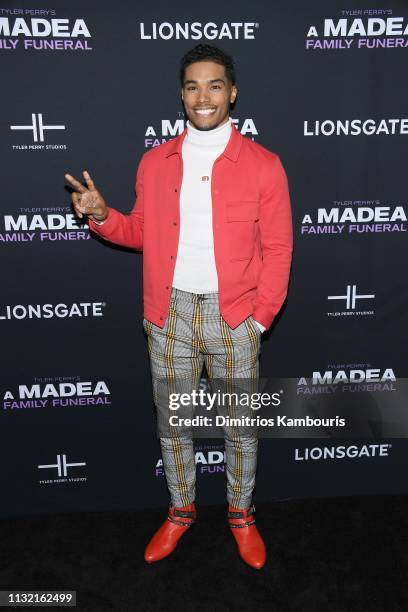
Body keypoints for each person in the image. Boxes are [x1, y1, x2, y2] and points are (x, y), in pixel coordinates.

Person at [65, 43, 293, 570]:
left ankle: (241, 515)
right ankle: (181, 509)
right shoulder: (155, 161)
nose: (203, 96)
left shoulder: (264, 166)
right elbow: (142, 232)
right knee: (174, 423)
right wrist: (103, 215)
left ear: (232, 93)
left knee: (239, 426)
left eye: (215, 85)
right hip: (166, 314)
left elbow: (279, 247)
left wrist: (261, 316)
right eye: (192, 86)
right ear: (182, 95)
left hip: (235, 313)